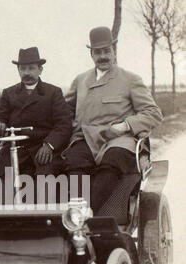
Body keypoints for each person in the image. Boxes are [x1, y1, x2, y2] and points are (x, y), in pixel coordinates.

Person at [63, 26, 163, 214]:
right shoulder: (80, 80)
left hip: (119, 139)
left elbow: (153, 113)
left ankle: (89, 214)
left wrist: (125, 125)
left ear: (114, 51)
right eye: (98, 52)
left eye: (107, 51)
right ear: (91, 54)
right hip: (86, 137)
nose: (103, 56)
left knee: (113, 161)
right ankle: (75, 214)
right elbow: (64, 113)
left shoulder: (130, 79)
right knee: (74, 161)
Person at [0, 47, 72, 182]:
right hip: (15, 147)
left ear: (40, 69)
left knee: (45, 179)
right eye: (23, 69)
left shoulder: (53, 92)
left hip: (43, 148)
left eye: (31, 68)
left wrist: (49, 145)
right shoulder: (9, 93)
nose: (26, 73)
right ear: (18, 70)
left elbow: (64, 124)